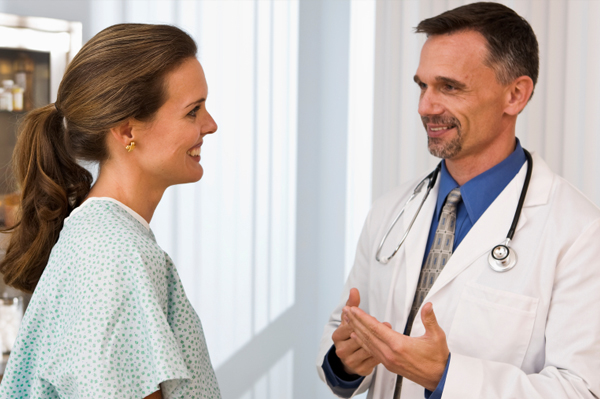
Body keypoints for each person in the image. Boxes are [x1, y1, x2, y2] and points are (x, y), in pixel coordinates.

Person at [317, 2, 600, 399]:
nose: (425, 107)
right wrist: (344, 362)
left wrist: (447, 377)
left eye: (449, 87)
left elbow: (582, 390)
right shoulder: (391, 210)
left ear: (515, 95)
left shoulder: (579, 234)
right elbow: (340, 335)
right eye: (422, 85)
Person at [0, 24, 220, 399]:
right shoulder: (113, 256)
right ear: (127, 130)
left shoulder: (108, 240)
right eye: (193, 111)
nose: (210, 125)